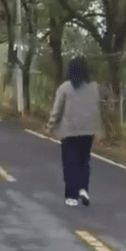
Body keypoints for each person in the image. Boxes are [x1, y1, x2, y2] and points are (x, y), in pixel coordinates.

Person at [46, 57, 102, 207]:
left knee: (70, 164)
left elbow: (57, 110)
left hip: (69, 132)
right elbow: (97, 108)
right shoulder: (94, 87)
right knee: (84, 161)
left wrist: (50, 126)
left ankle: (71, 196)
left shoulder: (64, 88)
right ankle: (83, 189)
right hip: (88, 132)